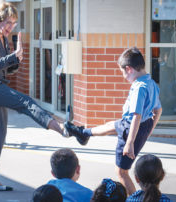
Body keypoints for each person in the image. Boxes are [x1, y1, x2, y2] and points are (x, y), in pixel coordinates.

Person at [0, 2, 76, 190]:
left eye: (13, 23)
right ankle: (61, 128)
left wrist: (16, 60)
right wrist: (14, 55)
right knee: (25, 101)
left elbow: (6, 68)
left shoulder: (3, 38)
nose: (11, 27)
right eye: (8, 23)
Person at [64, 47, 162, 195]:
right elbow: (158, 110)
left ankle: (134, 199)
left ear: (128, 69)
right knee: (112, 125)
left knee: (121, 172)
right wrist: (150, 129)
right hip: (136, 125)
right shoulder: (151, 82)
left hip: (132, 128)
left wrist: (129, 142)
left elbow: (137, 116)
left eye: (122, 72)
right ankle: (83, 133)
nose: (123, 76)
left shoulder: (139, 88)